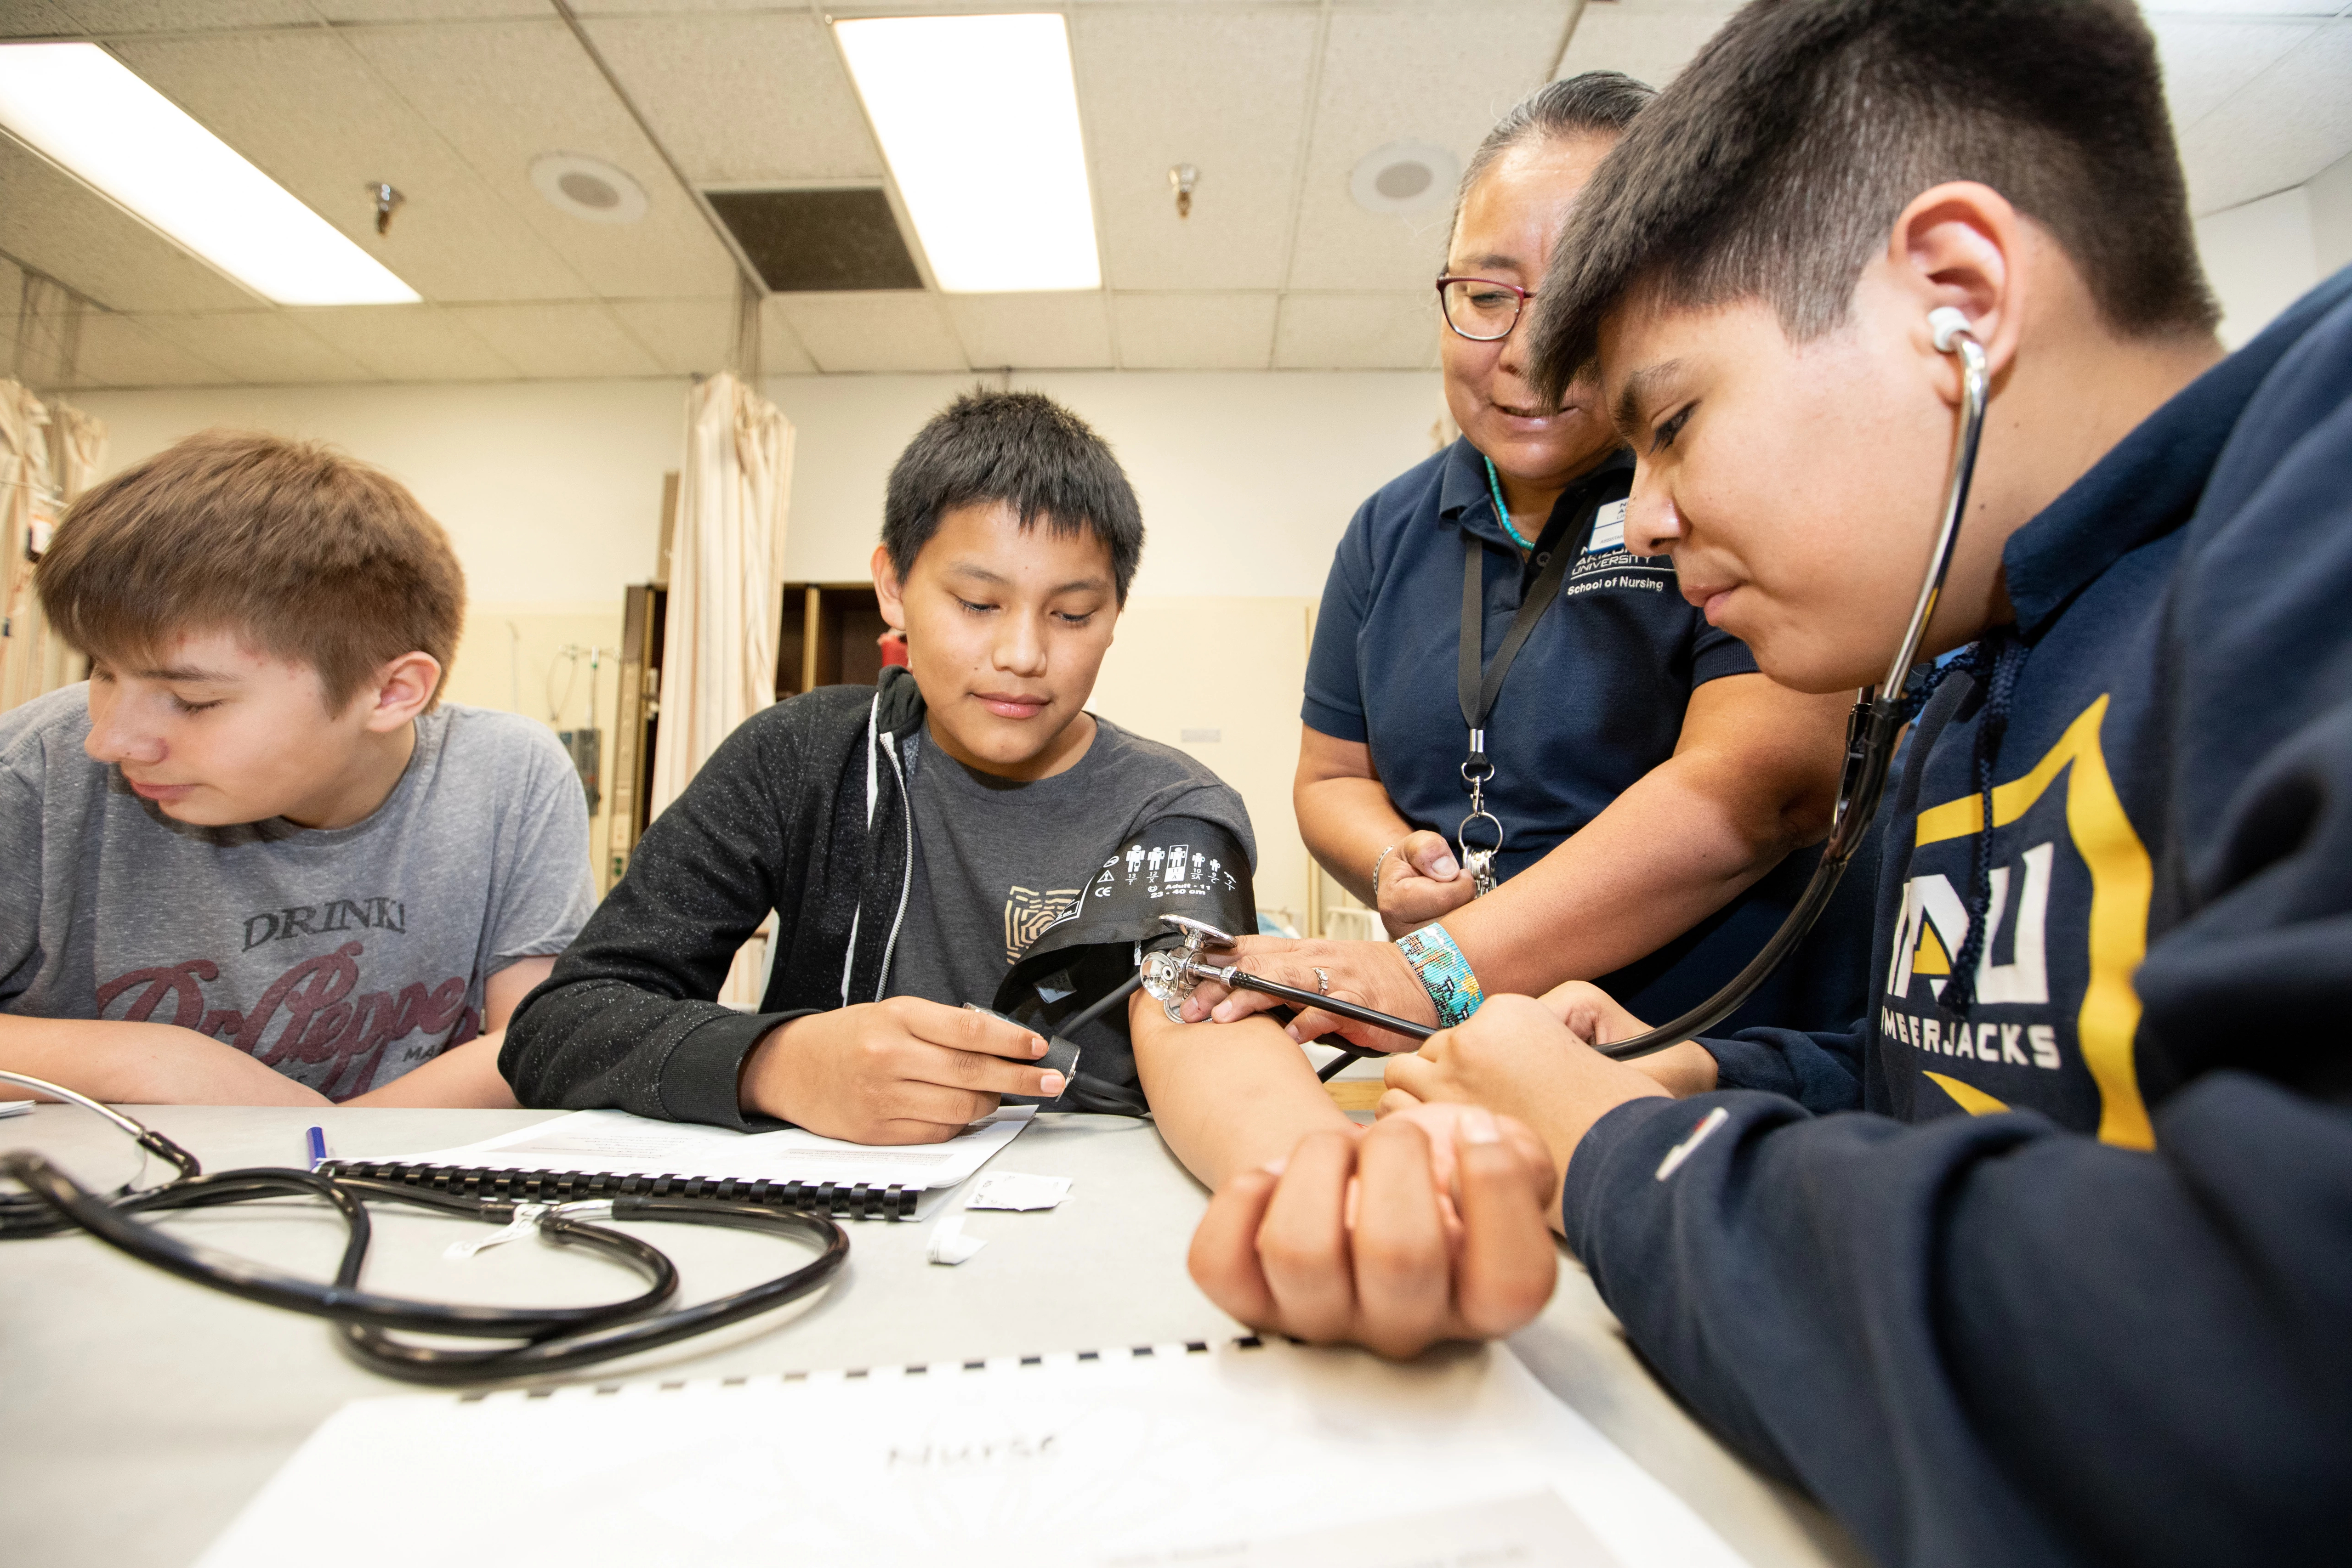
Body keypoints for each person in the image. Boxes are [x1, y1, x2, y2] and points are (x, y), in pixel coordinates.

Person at [1189, 1, 2352, 1561]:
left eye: (1669, 422)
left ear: (1959, 297)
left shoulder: (2314, 508)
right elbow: (1943, 1081)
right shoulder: (1954, 680)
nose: (1645, 520)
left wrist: (1616, 1149)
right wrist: (1696, 1069)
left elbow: (2253, 1377)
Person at [1191, 72, 1870, 1056]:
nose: (1528, 354)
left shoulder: (1718, 486)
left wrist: (1431, 969)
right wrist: (1395, 865)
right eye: (1483, 294)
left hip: (1699, 1054)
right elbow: (1330, 776)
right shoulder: (1386, 532)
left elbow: (1760, 785)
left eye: (1585, 299)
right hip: (1461, 1054)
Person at [500, 390, 1265, 1139]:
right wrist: (777, 1061)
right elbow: (559, 1027)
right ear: (894, 587)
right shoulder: (801, 758)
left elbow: (1213, 1041)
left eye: (1071, 615)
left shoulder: (1174, 810)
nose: (1023, 655)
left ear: (1114, 616)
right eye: (976, 602)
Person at [0, 430, 594, 1108]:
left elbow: (539, 1037)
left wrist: (327, 1148)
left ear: (392, 692)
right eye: (102, 671)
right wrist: (143, 1062)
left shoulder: (508, 776)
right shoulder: (31, 769)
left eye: (195, 701)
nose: (109, 739)